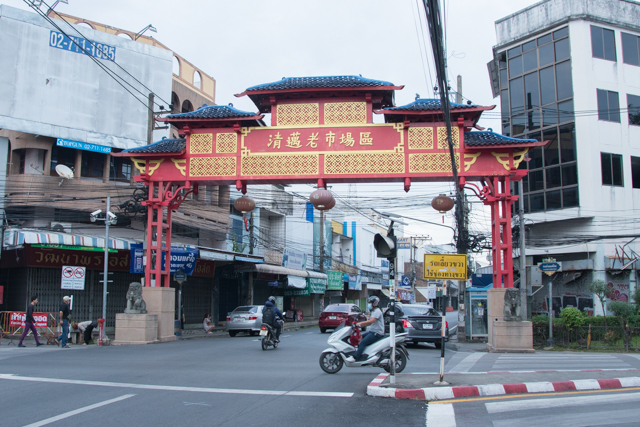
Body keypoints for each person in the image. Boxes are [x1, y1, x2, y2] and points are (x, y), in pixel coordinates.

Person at [346, 296, 384, 362]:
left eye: (370, 303)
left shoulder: (377, 311)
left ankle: (355, 357)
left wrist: (359, 324)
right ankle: (361, 353)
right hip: (372, 331)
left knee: (363, 342)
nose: (369, 304)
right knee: (360, 338)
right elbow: (369, 323)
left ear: (374, 303)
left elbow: (370, 321)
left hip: (377, 333)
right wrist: (359, 323)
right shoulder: (374, 311)